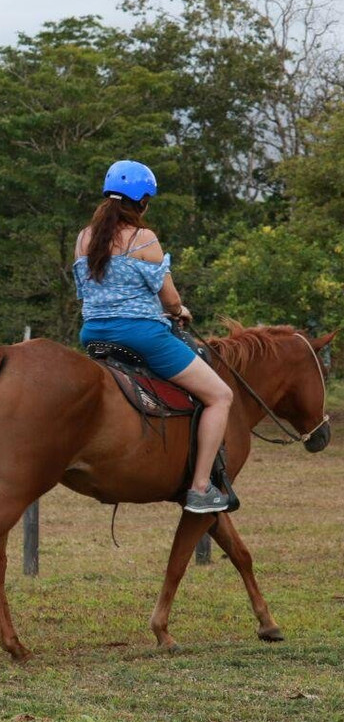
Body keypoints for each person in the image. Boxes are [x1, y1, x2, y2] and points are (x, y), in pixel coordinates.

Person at [73, 160, 233, 514]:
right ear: (142, 200)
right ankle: (202, 487)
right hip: (141, 336)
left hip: (93, 334)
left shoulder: (85, 238)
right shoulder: (143, 238)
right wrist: (179, 312)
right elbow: (170, 299)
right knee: (220, 395)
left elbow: (86, 294)